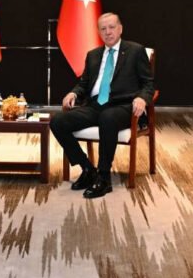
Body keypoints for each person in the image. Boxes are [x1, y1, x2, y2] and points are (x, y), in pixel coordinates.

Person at [50, 12, 154, 198]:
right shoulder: (93, 55)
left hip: (123, 106)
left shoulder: (135, 51)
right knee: (58, 121)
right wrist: (74, 92)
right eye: (103, 29)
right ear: (99, 32)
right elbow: (84, 84)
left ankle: (104, 178)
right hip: (95, 105)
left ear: (120, 29)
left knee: (108, 117)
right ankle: (88, 169)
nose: (108, 32)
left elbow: (148, 84)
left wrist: (142, 99)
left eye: (112, 27)